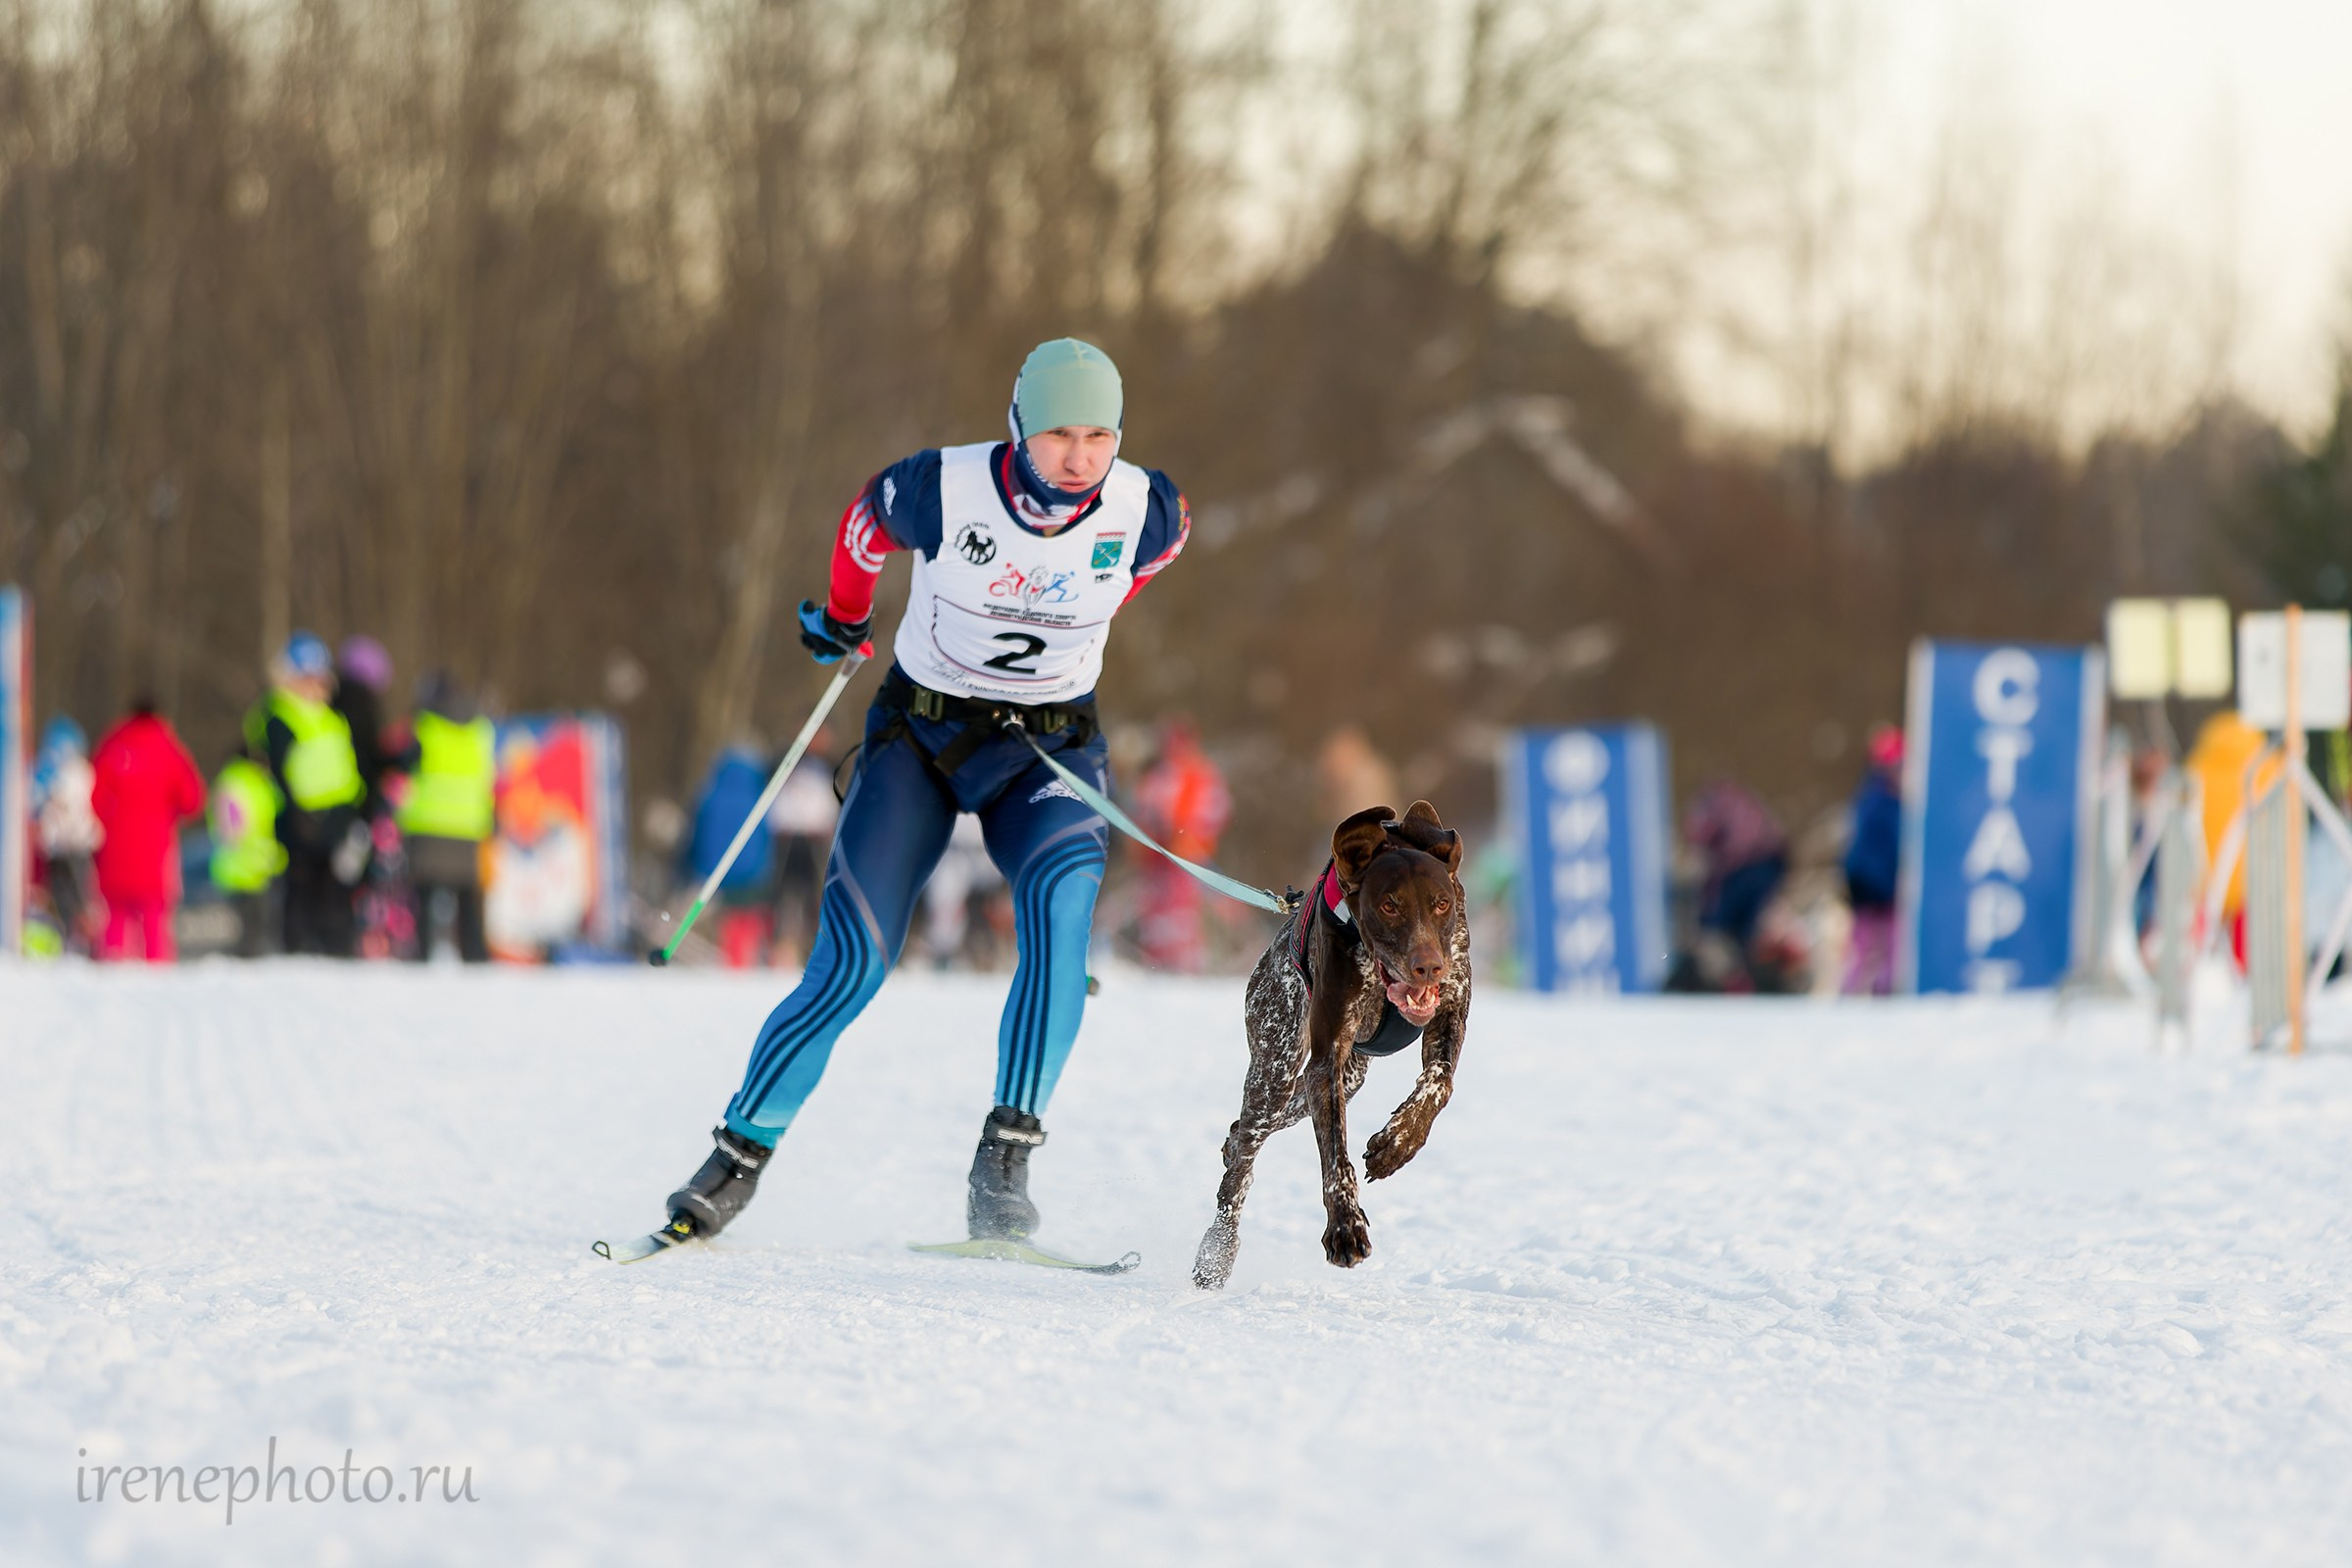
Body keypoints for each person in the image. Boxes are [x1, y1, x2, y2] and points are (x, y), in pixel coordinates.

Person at [652, 336, 1190, 1249]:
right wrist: (847, 615)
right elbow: (864, 526)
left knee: (1060, 925)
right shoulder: (943, 487)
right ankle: (737, 1157)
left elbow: (1131, 574)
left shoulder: (1150, 510)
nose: (1080, 456)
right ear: (1020, 425)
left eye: (1100, 436)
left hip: (1048, 753)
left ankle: (1004, 1167)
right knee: (854, 959)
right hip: (922, 740)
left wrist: (1058, 642)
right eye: (1060, 432)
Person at [249, 631, 368, 956]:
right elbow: (277, 771)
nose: (317, 687)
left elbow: (344, 769)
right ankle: (297, 953)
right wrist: (296, 814)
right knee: (299, 892)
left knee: (336, 895)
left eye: (321, 680)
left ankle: (335, 953)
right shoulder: (278, 717)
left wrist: (351, 816)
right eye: (309, 679)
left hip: (336, 818)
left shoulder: (332, 719)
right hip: (299, 820)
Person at [88, 698, 207, 962]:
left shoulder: (113, 745)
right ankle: (156, 966)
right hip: (156, 847)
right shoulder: (167, 747)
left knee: (116, 912)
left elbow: (94, 796)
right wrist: (170, 813)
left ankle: (112, 963)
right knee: (153, 916)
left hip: (116, 847)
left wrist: (110, 820)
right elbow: (193, 798)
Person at [394, 671, 497, 963]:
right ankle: (476, 959)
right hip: (468, 825)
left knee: (424, 899)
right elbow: (490, 775)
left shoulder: (424, 727)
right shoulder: (481, 729)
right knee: (468, 904)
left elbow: (403, 766)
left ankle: (422, 957)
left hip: (429, 824)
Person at [1134, 718, 1231, 972]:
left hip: (1191, 855)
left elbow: (1216, 811)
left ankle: (1186, 961)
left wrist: (1191, 835)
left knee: (1187, 908)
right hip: (1159, 853)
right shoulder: (1158, 774)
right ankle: (1155, 956)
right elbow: (1144, 810)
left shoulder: (1203, 774)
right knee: (1156, 905)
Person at [682, 742, 780, 968]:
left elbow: (698, 831)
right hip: (754, 870)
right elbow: (768, 834)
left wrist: (696, 864)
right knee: (753, 914)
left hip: (720, 870)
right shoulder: (759, 795)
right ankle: (758, 958)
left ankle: (734, 959)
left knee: (731, 917)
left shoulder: (709, 794)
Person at [29, 716, 102, 953]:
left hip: (66, 845)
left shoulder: (69, 773)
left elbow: (48, 801)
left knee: (72, 898)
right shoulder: (81, 772)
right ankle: (75, 940)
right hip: (69, 846)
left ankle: (81, 941)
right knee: (70, 897)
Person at [1840, 725, 1903, 996]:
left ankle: (1883, 988)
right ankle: (1852, 989)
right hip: (1871, 883)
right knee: (1866, 942)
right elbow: (1865, 849)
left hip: (1885, 883)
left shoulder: (1888, 800)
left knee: (1891, 942)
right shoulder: (1877, 801)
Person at [209, 741, 286, 957]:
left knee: (242, 927)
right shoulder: (254, 782)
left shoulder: (227, 781)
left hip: (233, 864)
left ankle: (245, 955)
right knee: (254, 927)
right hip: (252, 865)